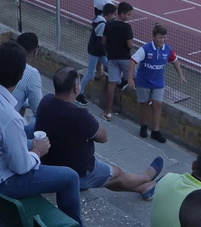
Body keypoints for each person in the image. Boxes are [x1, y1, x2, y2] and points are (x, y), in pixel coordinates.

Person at [0, 39, 83, 222]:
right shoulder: (11, 118)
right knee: (71, 177)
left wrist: (32, 147)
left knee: (29, 142)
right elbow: (20, 167)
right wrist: (37, 152)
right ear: (21, 75)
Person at [36, 66, 163, 200]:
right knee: (117, 174)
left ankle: (145, 188)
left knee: (107, 177)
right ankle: (146, 177)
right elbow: (103, 137)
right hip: (80, 172)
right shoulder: (80, 115)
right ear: (76, 88)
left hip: (51, 167)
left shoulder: (45, 101)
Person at [129, 23, 185, 142]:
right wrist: (130, 78)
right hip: (143, 81)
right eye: (160, 37)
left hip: (158, 82)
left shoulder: (168, 49)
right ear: (154, 37)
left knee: (157, 105)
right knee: (144, 104)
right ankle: (143, 126)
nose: (162, 40)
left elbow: (175, 60)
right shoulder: (145, 49)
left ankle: (155, 131)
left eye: (164, 37)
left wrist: (180, 74)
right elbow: (133, 60)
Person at [102, 0, 135, 120]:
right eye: (128, 15)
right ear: (122, 14)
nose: (129, 17)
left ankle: (108, 111)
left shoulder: (109, 24)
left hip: (112, 57)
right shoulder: (126, 27)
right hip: (124, 58)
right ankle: (134, 109)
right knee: (134, 79)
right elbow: (130, 45)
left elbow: (103, 41)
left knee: (112, 83)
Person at [12, 31, 44, 119]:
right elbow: (39, 111)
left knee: (23, 103)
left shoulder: (1, 59)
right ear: (35, 52)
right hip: (6, 119)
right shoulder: (32, 73)